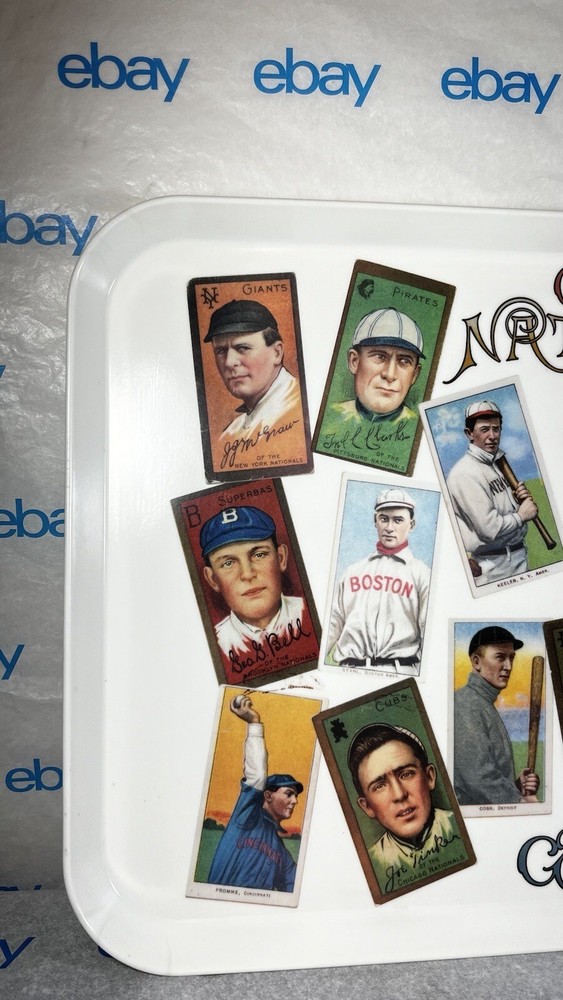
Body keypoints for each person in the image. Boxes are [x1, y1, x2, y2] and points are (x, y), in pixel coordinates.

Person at [326, 488, 430, 673]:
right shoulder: (352, 571)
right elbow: (331, 626)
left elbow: (430, 633)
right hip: (350, 669)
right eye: (384, 519)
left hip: (401, 669)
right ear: (375, 521)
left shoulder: (422, 574)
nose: (389, 528)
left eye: (398, 520)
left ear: (412, 525)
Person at [348, 723, 460, 891]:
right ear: (367, 807)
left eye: (406, 774)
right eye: (379, 786)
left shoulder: (459, 828)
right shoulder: (373, 862)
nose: (399, 795)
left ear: (429, 777)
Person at [207, 693, 303, 891]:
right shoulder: (247, 817)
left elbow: (297, 889)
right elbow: (257, 776)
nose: (295, 801)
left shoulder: (281, 852)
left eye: (295, 796)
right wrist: (254, 722)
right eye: (288, 794)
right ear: (268, 795)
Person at [446, 400, 538, 585]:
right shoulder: (465, 472)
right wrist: (521, 516)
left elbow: (501, 507)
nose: (492, 436)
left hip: (517, 556)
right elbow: (489, 529)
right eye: (484, 429)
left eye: (496, 429)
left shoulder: (496, 463)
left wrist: (517, 500)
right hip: (490, 564)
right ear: (469, 434)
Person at [200, 505, 305, 657]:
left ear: (281, 558)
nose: (248, 574)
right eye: (228, 563)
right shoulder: (213, 644)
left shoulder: (308, 613)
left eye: (259, 555)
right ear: (212, 579)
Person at [454, 625, 540, 806]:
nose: (508, 666)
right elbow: (478, 778)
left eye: (511, 658)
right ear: (476, 662)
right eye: (500, 657)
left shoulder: (482, 703)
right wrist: (520, 801)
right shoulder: (466, 704)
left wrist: (517, 786)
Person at [204, 299, 301, 437]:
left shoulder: (297, 408)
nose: (229, 362)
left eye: (243, 348)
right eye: (221, 351)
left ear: (277, 353)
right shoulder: (232, 431)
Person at [324, 307, 424, 431]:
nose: (390, 375)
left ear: (414, 375)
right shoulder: (331, 415)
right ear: (354, 361)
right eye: (379, 356)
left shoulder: (418, 426)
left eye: (404, 361)